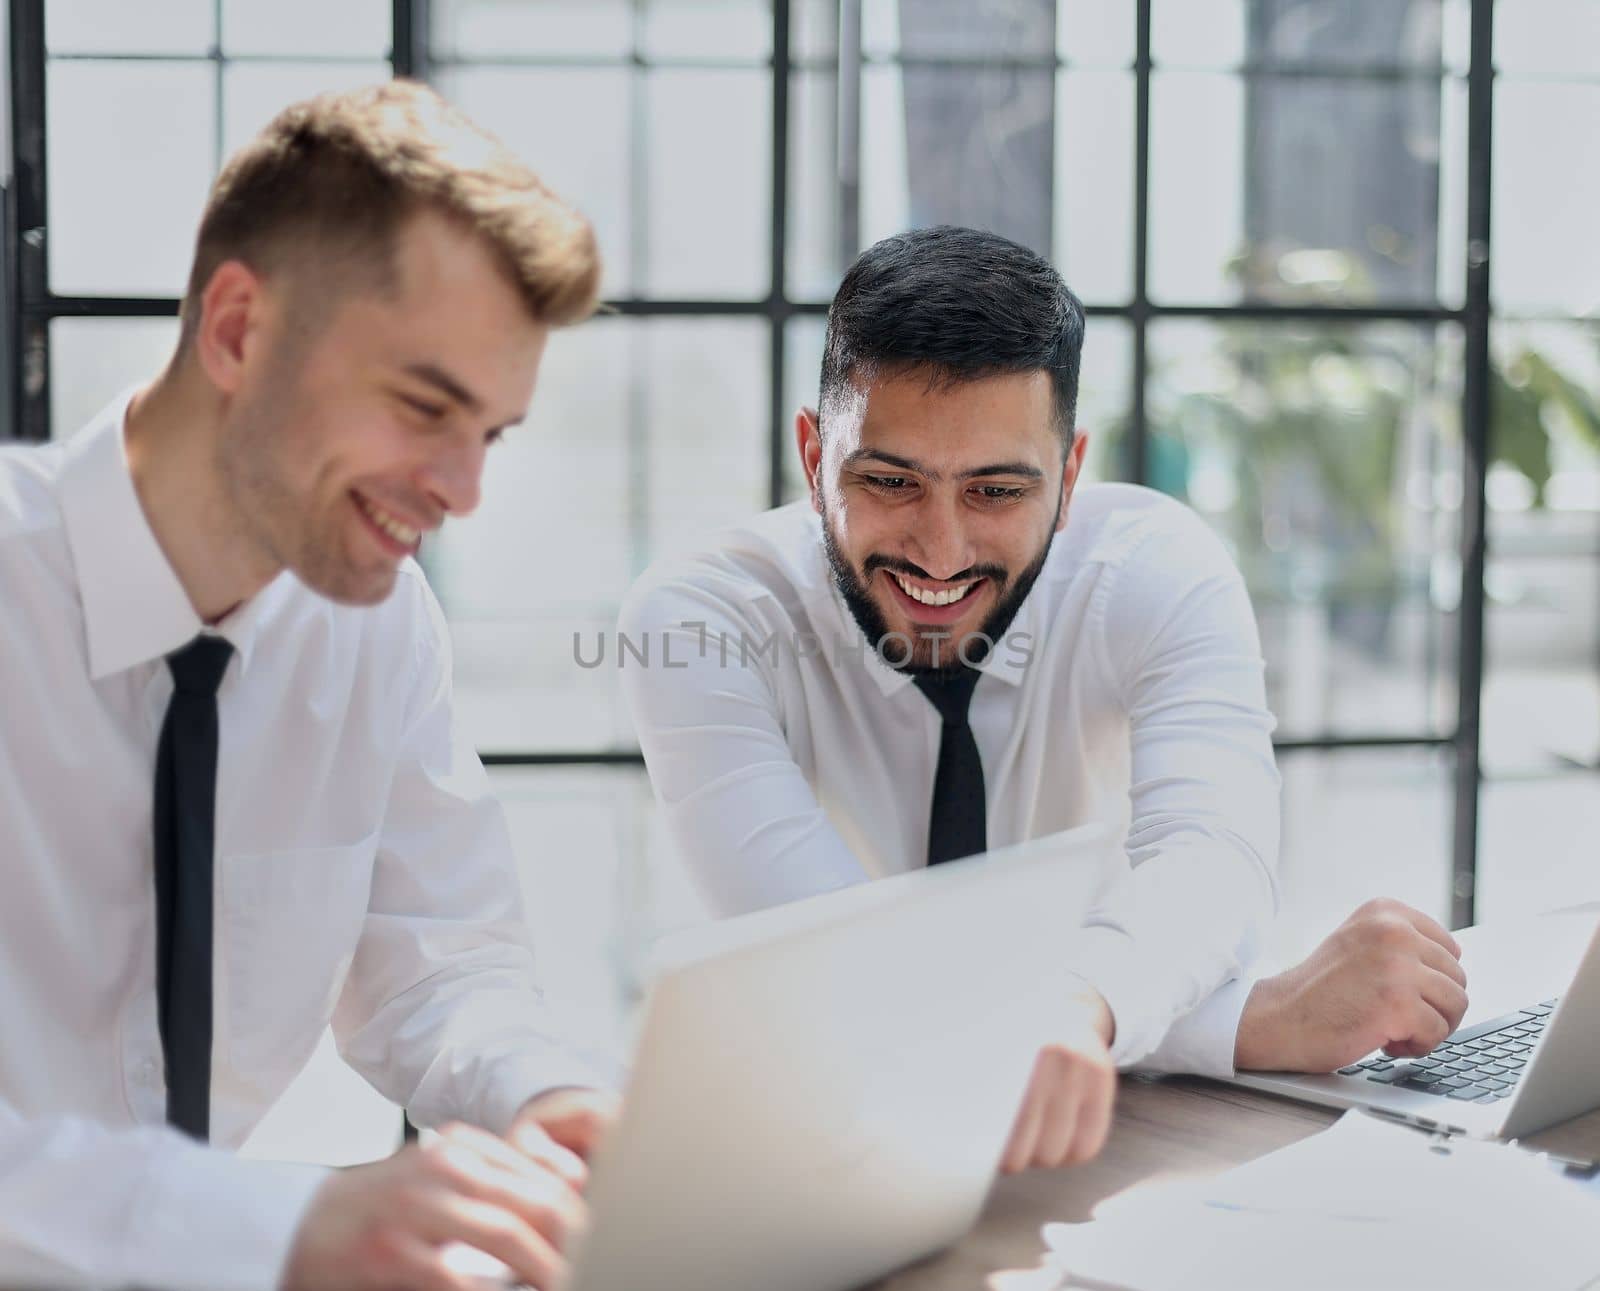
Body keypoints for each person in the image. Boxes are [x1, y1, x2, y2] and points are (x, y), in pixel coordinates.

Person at [619, 225, 1470, 1175]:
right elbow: (850, 974)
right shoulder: (698, 619)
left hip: (1095, 1145)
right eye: (891, 480)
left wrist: (1085, 1008)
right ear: (814, 457)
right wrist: (1254, 1022)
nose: (939, 551)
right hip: (800, 1151)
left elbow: (1210, 858)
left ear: (1069, 479)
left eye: (995, 490)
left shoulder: (1155, 570)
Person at [0, 82, 617, 1291]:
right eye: (424, 407)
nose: (461, 490)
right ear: (237, 331)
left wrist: (548, 1097)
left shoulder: (372, 628)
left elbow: (440, 960)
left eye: (489, 433)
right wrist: (269, 1229)